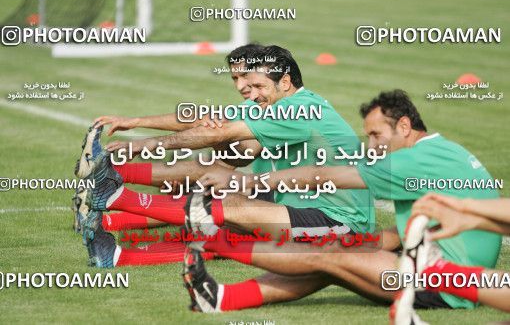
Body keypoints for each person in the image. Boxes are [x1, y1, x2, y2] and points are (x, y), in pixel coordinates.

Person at [181, 89, 501, 317]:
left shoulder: (408, 162)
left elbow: (321, 174)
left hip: (446, 283)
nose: (372, 146)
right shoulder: (444, 150)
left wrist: (247, 181)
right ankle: (221, 297)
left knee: (331, 254)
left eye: (377, 136)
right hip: (443, 263)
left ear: (404, 126)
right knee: (341, 255)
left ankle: (219, 246)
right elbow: (416, 228)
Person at [75, 45, 375, 273]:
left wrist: (145, 145)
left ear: (285, 82)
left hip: (340, 224)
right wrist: (136, 121)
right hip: (297, 204)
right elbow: (209, 121)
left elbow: (219, 133)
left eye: (258, 86)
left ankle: (115, 196)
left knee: (227, 209)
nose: (249, 93)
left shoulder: (299, 111)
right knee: (217, 215)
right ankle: (114, 253)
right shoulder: (278, 105)